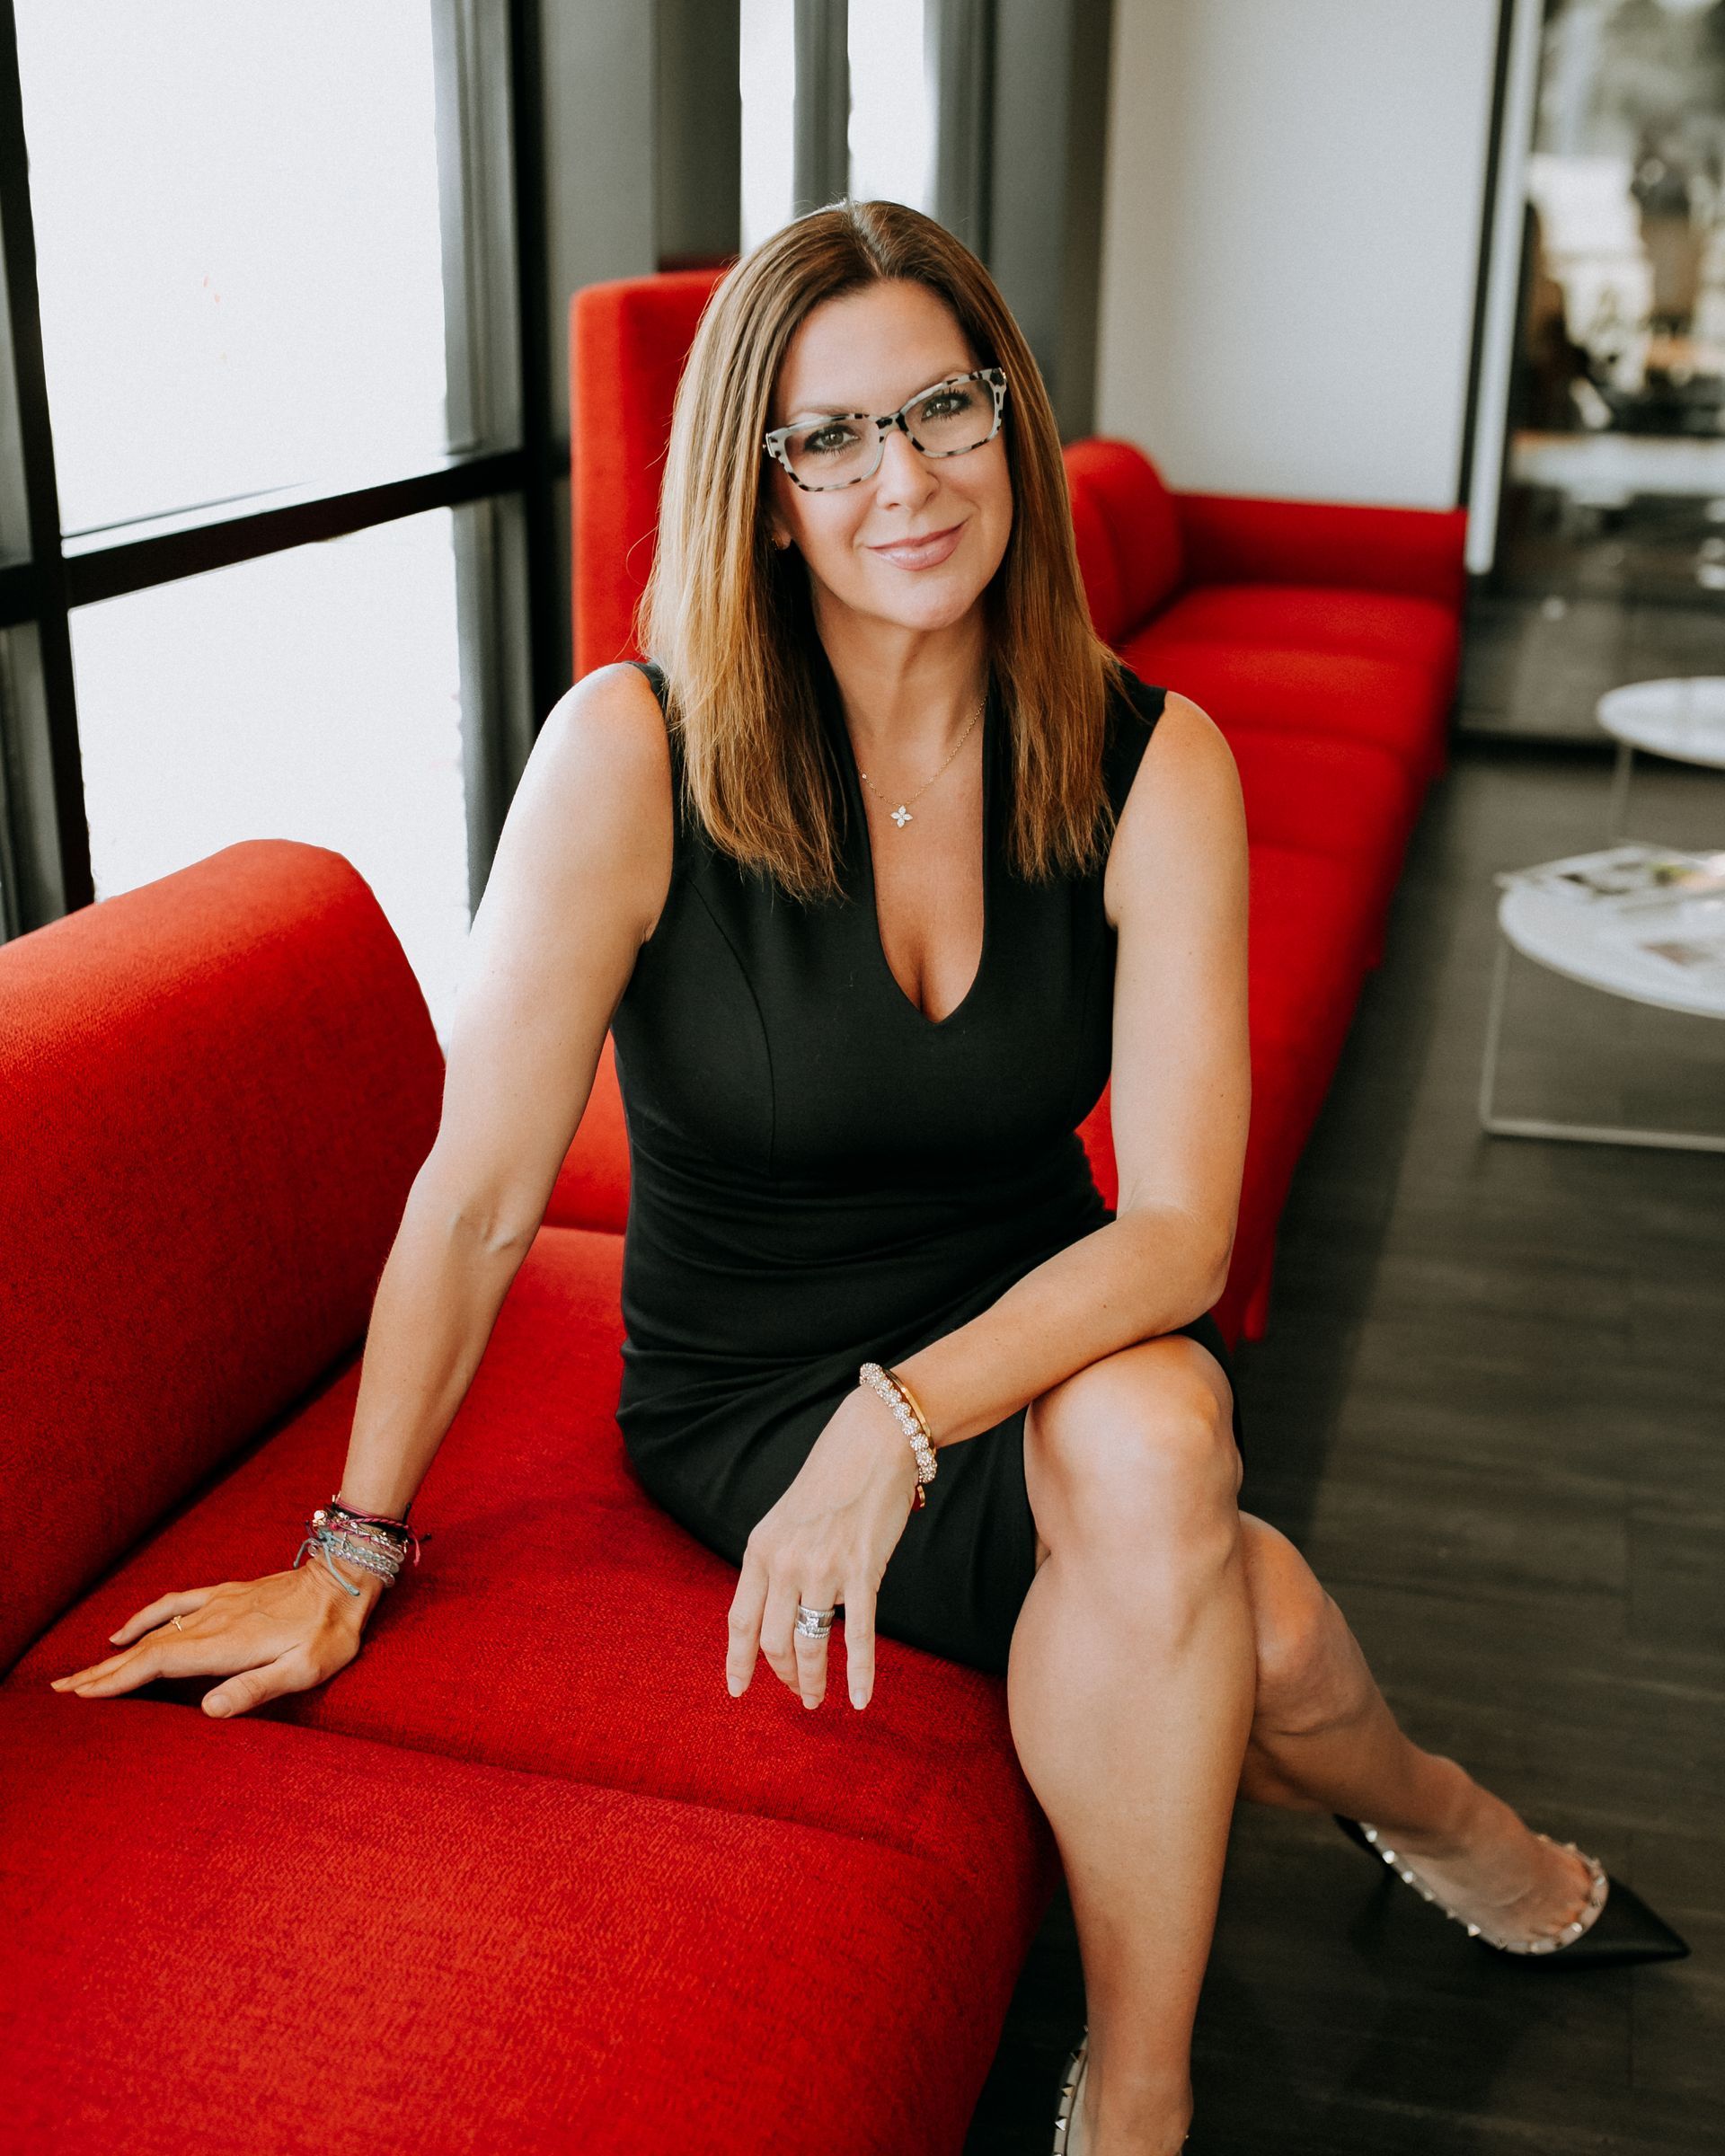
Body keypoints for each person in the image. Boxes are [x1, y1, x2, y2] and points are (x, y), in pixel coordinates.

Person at [49, 202, 1686, 2156]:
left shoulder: (1155, 762)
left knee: (1160, 1434)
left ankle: (1140, 2099)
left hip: (1038, 1328)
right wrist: (350, 1554)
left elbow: (1175, 1231)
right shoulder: (631, 753)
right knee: (1239, 1606)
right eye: (828, 437)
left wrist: (904, 1418)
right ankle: (1436, 1817)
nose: (903, 478)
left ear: (1010, 418)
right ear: (759, 491)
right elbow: (479, 1197)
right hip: (751, 1388)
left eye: (941, 409)